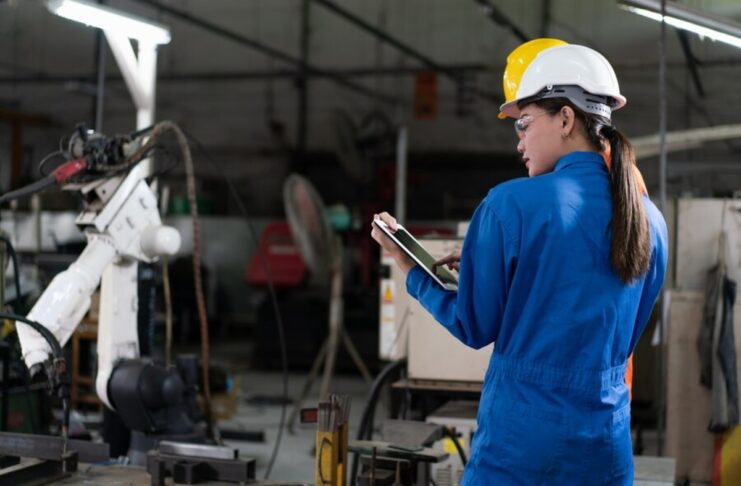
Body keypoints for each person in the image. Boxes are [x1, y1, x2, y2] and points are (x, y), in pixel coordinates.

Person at [371, 42, 668, 484]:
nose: (519, 142)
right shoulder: (650, 218)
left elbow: (473, 326)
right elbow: (625, 333)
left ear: (566, 118)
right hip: (605, 446)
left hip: (521, 447)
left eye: (525, 124)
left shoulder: (508, 204)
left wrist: (410, 269)